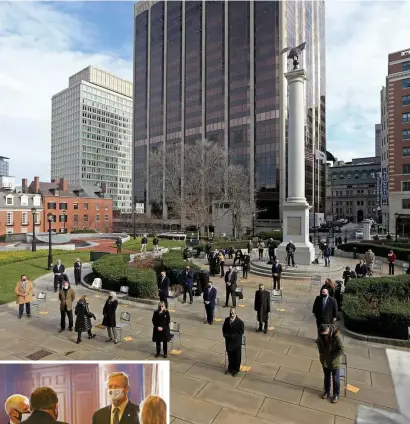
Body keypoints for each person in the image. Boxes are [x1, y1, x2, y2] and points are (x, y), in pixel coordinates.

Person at [316, 324, 344, 404]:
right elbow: (319, 343)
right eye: (323, 334)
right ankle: (326, 391)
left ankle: (336, 394)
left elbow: (342, 349)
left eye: (326, 334)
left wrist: (333, 356)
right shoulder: (321, 335)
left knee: (335, 379)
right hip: (325, 361)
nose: (325, 335)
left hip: (334, 362)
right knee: (327, 377)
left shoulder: (337, 337)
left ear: (328, 330)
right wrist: (321, 354)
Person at [222, 307, 245, 377]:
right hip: (228, 342)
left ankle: (236, 369)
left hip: (236, 343)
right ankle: (230, 368)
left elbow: (241, 332)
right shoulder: (226, 320)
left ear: (235, 313)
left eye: (233, 313)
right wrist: (225, 335)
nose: (231, 314)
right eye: (230, 313)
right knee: (230, 356)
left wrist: (232, 336)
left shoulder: (240, 322)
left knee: (237, 357)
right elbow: (224, 329)